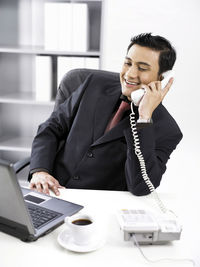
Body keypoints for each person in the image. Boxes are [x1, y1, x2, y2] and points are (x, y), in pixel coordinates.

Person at [29, 33, 182, 196]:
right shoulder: (93, 84)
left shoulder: (168, 130)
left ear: (162, 79)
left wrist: (144, 119)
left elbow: (140, 187)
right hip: (51, 189)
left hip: (98, 205)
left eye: (142, 68)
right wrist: (40, 171)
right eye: (128, 63)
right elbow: (50, 129)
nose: (130, 74)